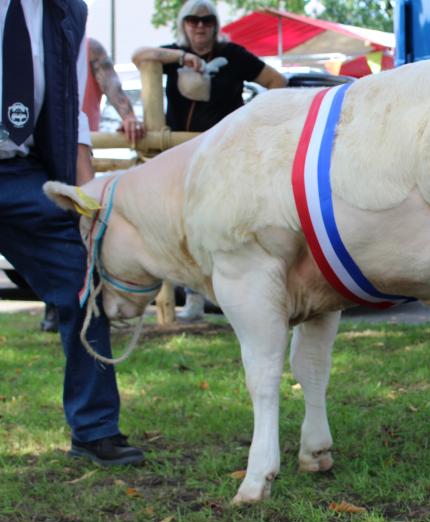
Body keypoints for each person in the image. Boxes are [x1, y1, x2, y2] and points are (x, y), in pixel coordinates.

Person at [0, 0, 144, 466]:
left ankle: (95, 429)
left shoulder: (68, 11)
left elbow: (71, 110)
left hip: (24, 172)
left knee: (83, 283)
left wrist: (86, 200)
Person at [132, 0, 286, 321]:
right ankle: (194, 298)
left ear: (216, 26)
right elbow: (139, 56)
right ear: (183, 25)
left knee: (229, 226)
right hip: (181, 159)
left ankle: (237, 299)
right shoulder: (172, 56)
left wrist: (253, 121)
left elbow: (276, 82)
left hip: (227, 160)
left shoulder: (233, 56)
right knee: (185, 226)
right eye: (192, 20)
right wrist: (182, 57)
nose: (199, 26)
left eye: (206, 21)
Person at [41, 36, 146, 334]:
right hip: (38, 146)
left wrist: (129, 116)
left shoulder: (87, 45)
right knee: (53, 226)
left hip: (79, 145)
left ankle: (89, 302)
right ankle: (58, 305)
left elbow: (110, 81)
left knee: (87, 222)